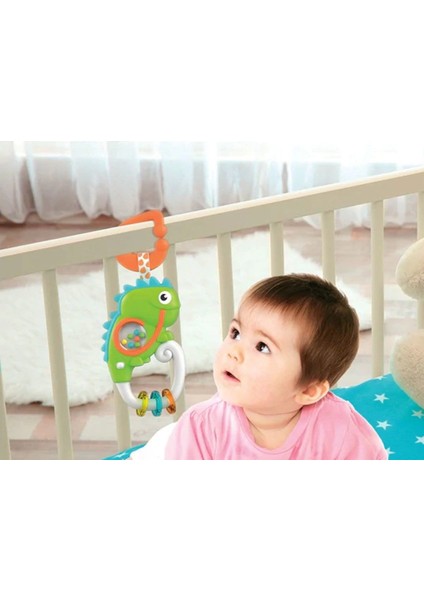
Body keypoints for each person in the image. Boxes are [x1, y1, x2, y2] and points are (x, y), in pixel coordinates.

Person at [134, 273, 388, 460]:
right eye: (235, 333)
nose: (233, 351)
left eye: (262, 347)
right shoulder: (201, 427)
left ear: (309, 390)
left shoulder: (340, 430)